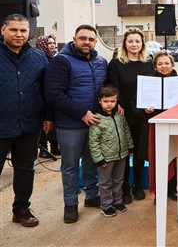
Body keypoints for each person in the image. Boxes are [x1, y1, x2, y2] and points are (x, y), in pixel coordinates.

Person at [45, 24, 107, 224]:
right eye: (83, 38)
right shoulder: (61, 62)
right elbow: (54, 94)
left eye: (90, 39)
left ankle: (91, 196)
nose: (86, 42)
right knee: (70, 166)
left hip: (94, 123)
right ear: (74, 39)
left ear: (96, 41)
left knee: (91, 162)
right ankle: (70, 204)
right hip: (70, 125)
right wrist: (82, 113)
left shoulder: (100, 61)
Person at [0, 14, 49, 227]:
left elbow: (47, 90)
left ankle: (21, 209)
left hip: (29, 124)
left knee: (25, 170)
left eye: (23, 30)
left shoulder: (39, 57)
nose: (19, 34)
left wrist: (48, 115)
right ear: (3, 31)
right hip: (1, 125)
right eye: (14, 30)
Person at [106, 28, 153, 203]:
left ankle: (138, 185)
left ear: (142, 44)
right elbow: (114, 88)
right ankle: (124, 188)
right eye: (130, 41)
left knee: (140, 152)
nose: (134, 44)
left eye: (137, 41)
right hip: (124, 114)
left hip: (144, 115)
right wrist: (121, 106)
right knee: (124, 154)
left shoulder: (149, 62)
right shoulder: (116, 63)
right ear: (124, 43)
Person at [88, 85, 134, 218]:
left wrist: (130, 147)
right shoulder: (97, 119)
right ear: (99, 101)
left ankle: (117, 201)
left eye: (112, 101)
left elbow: (126, 131)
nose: (109, 104)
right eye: (106, 101)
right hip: (106, 158)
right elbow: (93, 142)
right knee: (105, 182)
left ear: (117, 100)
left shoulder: (120, 115)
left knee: (118, 179)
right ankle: (106, 205)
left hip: (121, 154)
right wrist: (99, 159)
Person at [139, 51, 178, 201]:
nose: (164, 66)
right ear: (155, 66)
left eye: (167, 63)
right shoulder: (148, 81)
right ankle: (158, 192)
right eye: (160, 64)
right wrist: (144, 109)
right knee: (156, 159)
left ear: (172, 65)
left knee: (174, 157)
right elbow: (136, 102)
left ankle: (172, 190)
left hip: (174, 125)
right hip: (154, 126)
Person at [35, 35, 60, 158]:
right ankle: (43, 149)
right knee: (43, 124)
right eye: (49, 43)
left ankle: (55, 147)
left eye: (53, 42)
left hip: (53, 95)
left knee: (54, 123)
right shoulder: (38, 58)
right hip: (41, 95)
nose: (52, 45)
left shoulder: (56, 57)